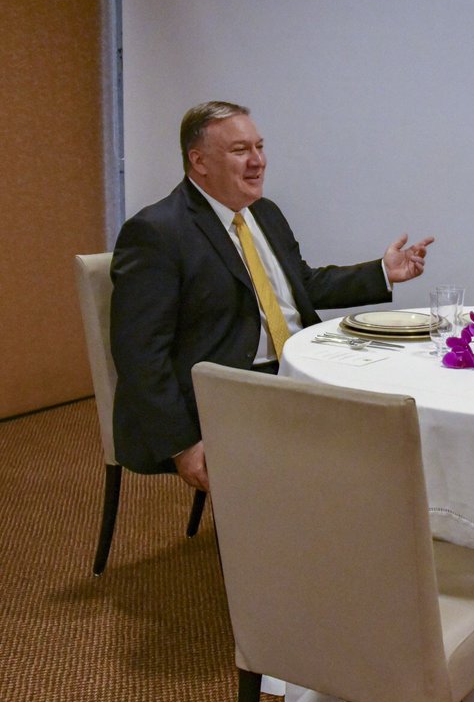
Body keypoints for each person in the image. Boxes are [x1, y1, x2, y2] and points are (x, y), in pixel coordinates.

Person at [110, 101, 434, 492]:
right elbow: (139, 352)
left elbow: (304, 285)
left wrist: (382, 271)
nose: (258, 161)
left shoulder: (264, 213)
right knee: (356, 442)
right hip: (232, 389)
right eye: (240, 150)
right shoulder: (157, 231)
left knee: (402, 401)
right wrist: (182, 444)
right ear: (199, 161)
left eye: (259, 147)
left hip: (301, 364)